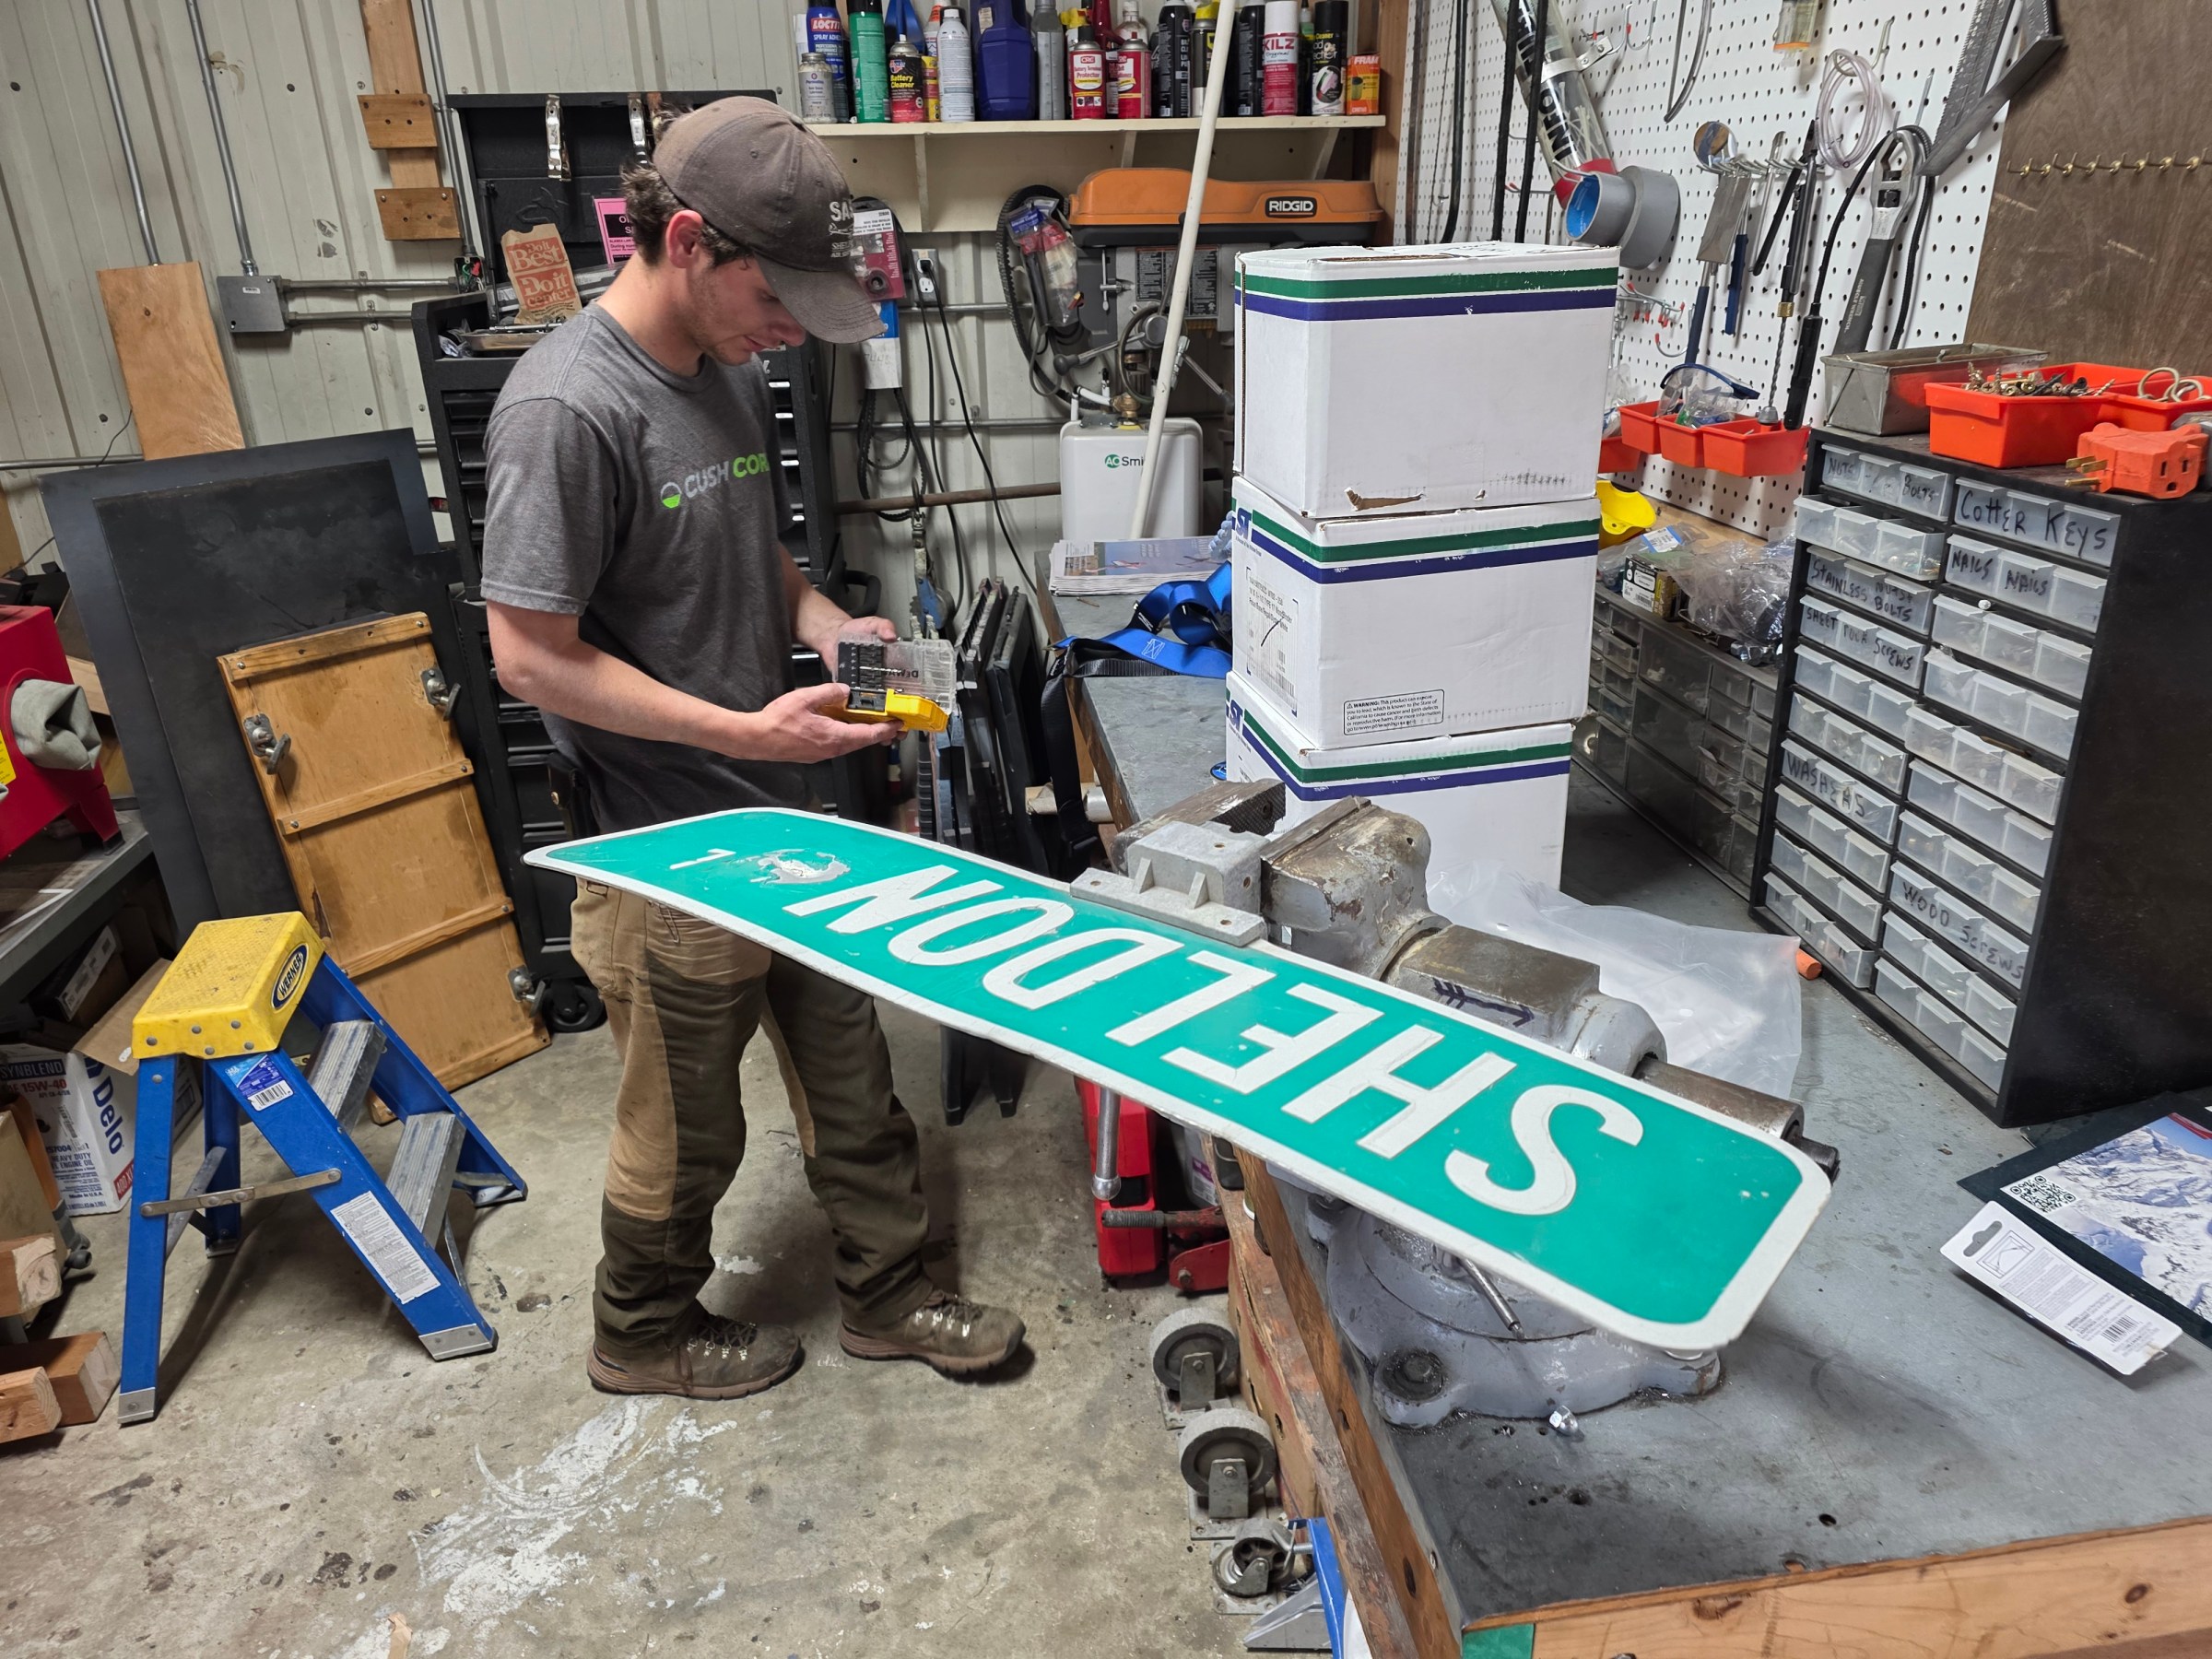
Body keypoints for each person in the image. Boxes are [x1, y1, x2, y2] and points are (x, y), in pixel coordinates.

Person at [478, 97, 1024, 1400]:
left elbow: (754, 556)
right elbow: (529, 656)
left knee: (852, 1069)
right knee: (684, 1130)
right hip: (667, 838)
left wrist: (835, 628)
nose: (787, 330)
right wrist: (741, 734)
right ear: (684, 242)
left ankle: (890, 1296)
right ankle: (643, 1330)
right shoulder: (563, 410)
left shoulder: (718, 373)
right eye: (775, 298)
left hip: (779, 817)